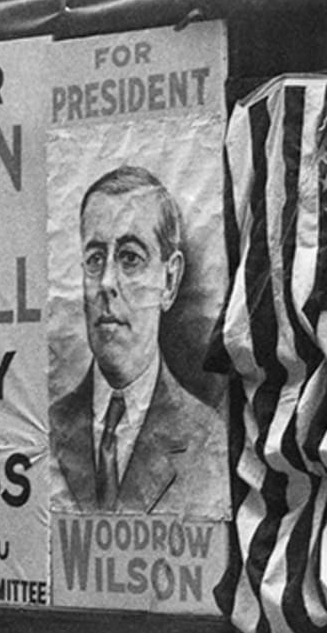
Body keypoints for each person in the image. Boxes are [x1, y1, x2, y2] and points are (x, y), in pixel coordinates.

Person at [50, 165, 225, 517]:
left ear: (170, 280)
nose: (106, 283)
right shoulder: (47, 427)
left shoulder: (208, 439)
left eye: (130, 258)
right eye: (95, 259)